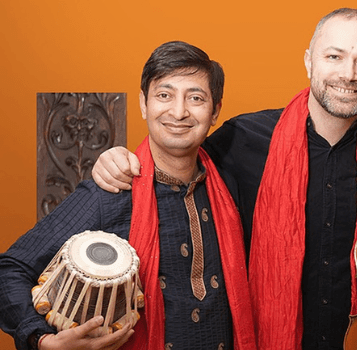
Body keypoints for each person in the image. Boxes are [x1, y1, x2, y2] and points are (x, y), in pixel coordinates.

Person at [92, 8, 357, 350]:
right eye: (334, 56)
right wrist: (118, 157)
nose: (348, 74)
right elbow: (178, 147)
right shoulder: (245, 137)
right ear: (309, 62)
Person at [0, 41, 256, 350]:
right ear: (144, 104)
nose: (179, 112)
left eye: (196, 98)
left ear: (215, 112)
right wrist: (41, 340)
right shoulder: (112, 191)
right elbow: (9, 269)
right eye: (164, 95)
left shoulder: (231, 181)